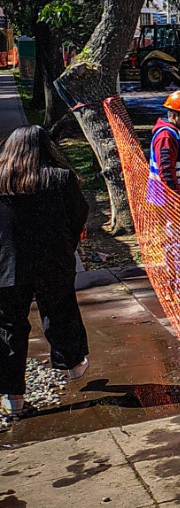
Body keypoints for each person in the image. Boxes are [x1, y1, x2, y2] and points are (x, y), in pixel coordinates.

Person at [0, 125, 91, 414]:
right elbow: (79, 214)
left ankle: (12, 395)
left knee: (8, 327)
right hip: (53, 262)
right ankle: (73, 364)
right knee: (60, 310)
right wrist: (68, 244)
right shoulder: (61, 179)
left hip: (7, 266)